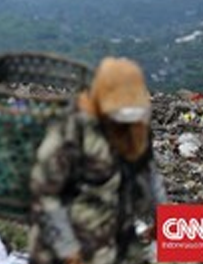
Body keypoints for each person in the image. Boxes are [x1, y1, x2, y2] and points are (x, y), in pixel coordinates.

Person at [29, 57, 167, 264]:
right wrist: (67, 249)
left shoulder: (136, 131)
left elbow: (149, 176)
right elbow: (45, 194)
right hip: (73, 238)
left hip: (119, 233)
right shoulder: (72, 131)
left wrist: (163, 221)